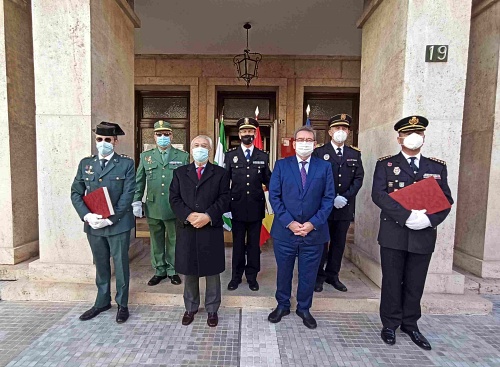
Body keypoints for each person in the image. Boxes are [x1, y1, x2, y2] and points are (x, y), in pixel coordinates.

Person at [372, 115, 453, 350]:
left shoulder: (437, 167)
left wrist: (427, 219)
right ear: (399, 138)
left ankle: (411, 324)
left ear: (424, 137)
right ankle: (389, 324)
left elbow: (446, 200)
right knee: (391, 281)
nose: (413, 137)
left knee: (415, 282)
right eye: (407, 133)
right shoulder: (385, 164)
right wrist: (407, 216)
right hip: (394, 233)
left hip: (423, 234)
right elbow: (379, 195)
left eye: (417, 133)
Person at [268, 125, 334, 329]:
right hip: (285, 231)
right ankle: (283, 304)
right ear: (294, 144)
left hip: (313, 233)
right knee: (284, 271)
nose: (304, 143)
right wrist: (290, 222)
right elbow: (274, 196)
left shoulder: (324, 167)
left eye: (309, 140)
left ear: (315, 144)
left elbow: (328, 198)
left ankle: (304, 308)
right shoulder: (281, 165)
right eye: (301, 140)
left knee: (308, 273)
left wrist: (312, 223)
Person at [71, 122, 135, 324]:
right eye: (99, 139)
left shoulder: (126, 164)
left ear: (115, 141)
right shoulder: (86, 164)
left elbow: (128, 194)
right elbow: (76, 192)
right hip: (94, 224)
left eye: (107, 140)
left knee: (121, 264)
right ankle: (102, 301)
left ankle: (122, 304)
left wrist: (111, 218)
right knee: (100, 264)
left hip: (118, 224)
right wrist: (87, 216)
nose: (103, 143)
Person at [169, 135, 230, 327]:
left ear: (210, 150)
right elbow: (174, 199)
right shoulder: (180, 172)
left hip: (210, 227)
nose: (200, 148)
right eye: (196, 145)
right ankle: (191, 307)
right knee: (189, 269)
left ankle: (212, 309)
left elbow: (225, 198)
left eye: (204, 146)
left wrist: (208, 215)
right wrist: (188, 215)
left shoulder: (220, 173)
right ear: (191, 148)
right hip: (188, 227)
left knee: (212, 271)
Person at [132, 120, 189, 286]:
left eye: (166, 134)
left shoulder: (182, 156)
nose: (163, 137)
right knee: (156, 240)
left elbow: (186, 183)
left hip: (174, 207)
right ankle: (159, 270)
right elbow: (139, 181)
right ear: (154, 136)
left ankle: (172, 270)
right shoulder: (146, 157)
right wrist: (136, 200)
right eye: (159, 134)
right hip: (153, 205)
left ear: (171, 135)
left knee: (173, 239)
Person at [313, 114, 364, 293]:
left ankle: (333, 275)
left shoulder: (354, 153)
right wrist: (331, 197)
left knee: (339, 243)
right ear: (330, 132)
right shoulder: (320, 152)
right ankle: (318, 276)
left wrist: (346, 197)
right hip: (324, 207)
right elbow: (316, 178)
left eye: (344, 129)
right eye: (337, 128)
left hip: (344, 207)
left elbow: (358, 178)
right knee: (321, 243)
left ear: (349, 132)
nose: (340, 132)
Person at [224, 117, 272, 292]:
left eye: (250, 132)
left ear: (255, 133)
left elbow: (270, 180)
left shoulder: (263, 156)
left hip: (255, 208)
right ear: (239, 134)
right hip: (235, 208)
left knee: (253, 245)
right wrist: (225, 208)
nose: (247, 134)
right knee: (237, 245)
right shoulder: (230, 156)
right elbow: (224, 182)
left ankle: (252, 277)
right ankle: (236, 276)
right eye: (244, 131)